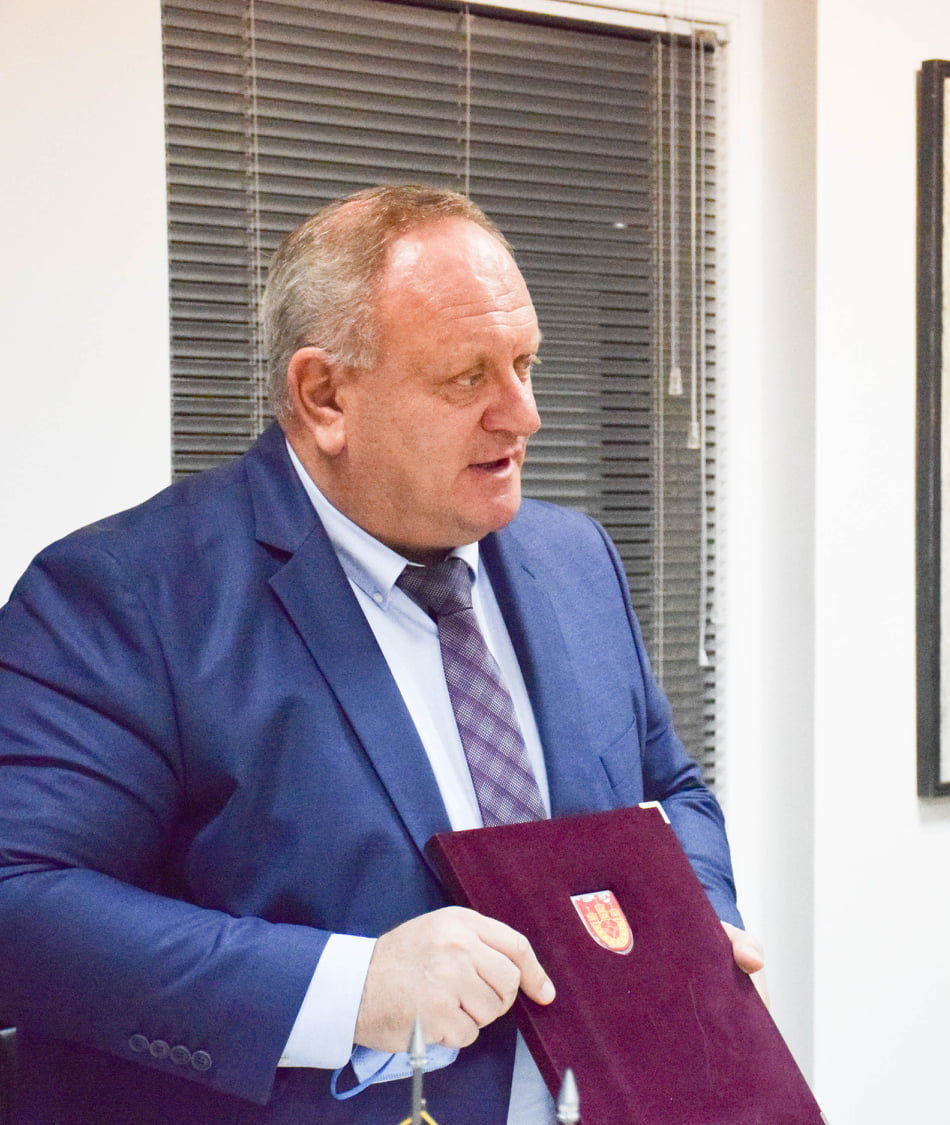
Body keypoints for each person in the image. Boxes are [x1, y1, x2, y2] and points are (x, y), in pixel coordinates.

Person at [0, 185, 762, 1124]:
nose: (523, 414)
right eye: (467, 378)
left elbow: (670, 789)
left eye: (525, 363)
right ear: (325, 396)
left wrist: (696, 916)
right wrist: (351, 988)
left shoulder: (576, 560)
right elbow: (19, 904)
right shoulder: (128, 596)